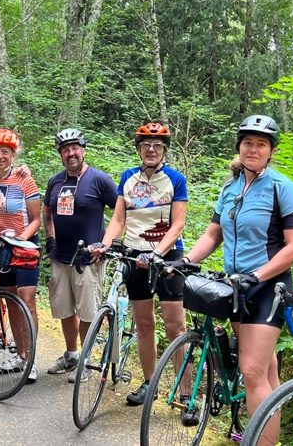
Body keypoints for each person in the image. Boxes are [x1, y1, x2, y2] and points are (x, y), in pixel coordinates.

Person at [170, 115, 293, 432]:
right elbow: (212, 235)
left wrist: (257, 276)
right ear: (239, 147)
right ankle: (270, 434)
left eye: (261, 144)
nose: (253, 149)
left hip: (267, 289)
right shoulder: (231, 187)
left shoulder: (282, 188)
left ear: (271, 151)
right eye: (248, 143)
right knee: (265, 369)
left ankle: (259, 439)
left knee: (252, 371)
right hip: (236, 288)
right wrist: (185, 259)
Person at [89, 121, 188, 406]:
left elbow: (178, 225)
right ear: (138, 149)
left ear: (165, 150)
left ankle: (184, 394)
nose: (151, 150)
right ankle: (150, 383)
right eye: (145, 145)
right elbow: (119, 219)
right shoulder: (128, 177)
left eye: (157, 145)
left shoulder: (175, 179)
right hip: (134, 256)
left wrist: (158, 252)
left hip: (166, 257)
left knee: (175, 326)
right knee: (144, 324)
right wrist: (105, 243)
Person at [41, 128, 117, 383]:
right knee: (64, 309)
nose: (70, 153)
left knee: (87, 312)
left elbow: (121, 214)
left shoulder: (99, 180)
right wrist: (50, 240)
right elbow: (47, 212)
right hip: (61, 256)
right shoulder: (55, 181)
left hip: (89, 259)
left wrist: (106, 244)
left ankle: (86, 360)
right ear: (60, 154)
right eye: (65, 149)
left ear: (83, 150)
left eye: (75, 148)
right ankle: (71, 354)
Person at [0, 129, 42, 384]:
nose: (0, 156)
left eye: (5, 151)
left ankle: (31, 359)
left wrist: (20, 239)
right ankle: (20, 354)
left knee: (27, 301)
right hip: (1, 248)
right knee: (10, 301)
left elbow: (37, 218)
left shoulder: (24, 179)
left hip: (25, 246)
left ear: (13, 154)